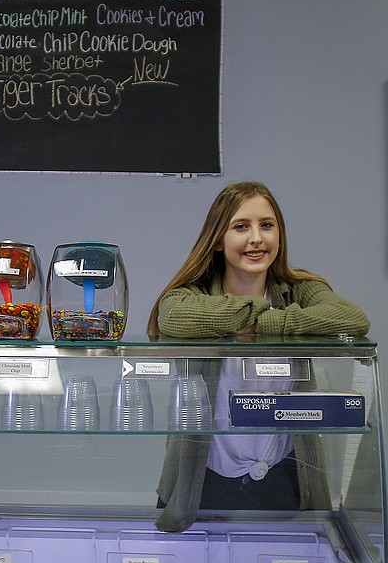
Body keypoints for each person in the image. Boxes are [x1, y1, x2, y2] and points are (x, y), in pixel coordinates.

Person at [147, 181, 370, 533]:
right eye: (241, 227)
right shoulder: (191, 295)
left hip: (286, 476)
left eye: (267, 225)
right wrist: (253, 311)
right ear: (218, 240)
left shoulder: (300, 289)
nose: (256, 238)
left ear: (279, 236)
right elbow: (170, 316)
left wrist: (268, 320)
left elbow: (352, 319)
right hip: (203, 478)